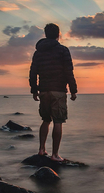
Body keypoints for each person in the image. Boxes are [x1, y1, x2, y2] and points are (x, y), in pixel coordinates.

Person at [29, 23, 77, 162]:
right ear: (58, 34)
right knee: (58, 121)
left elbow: (33, 72)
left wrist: (34, 90)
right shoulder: (62, 50)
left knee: (45, 120)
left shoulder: (38, 52)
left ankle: (41, 149)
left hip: (44, 90)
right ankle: (55, 155)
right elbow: (69, 71)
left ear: (45, 34)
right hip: (58, 91)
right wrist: (73, 91)